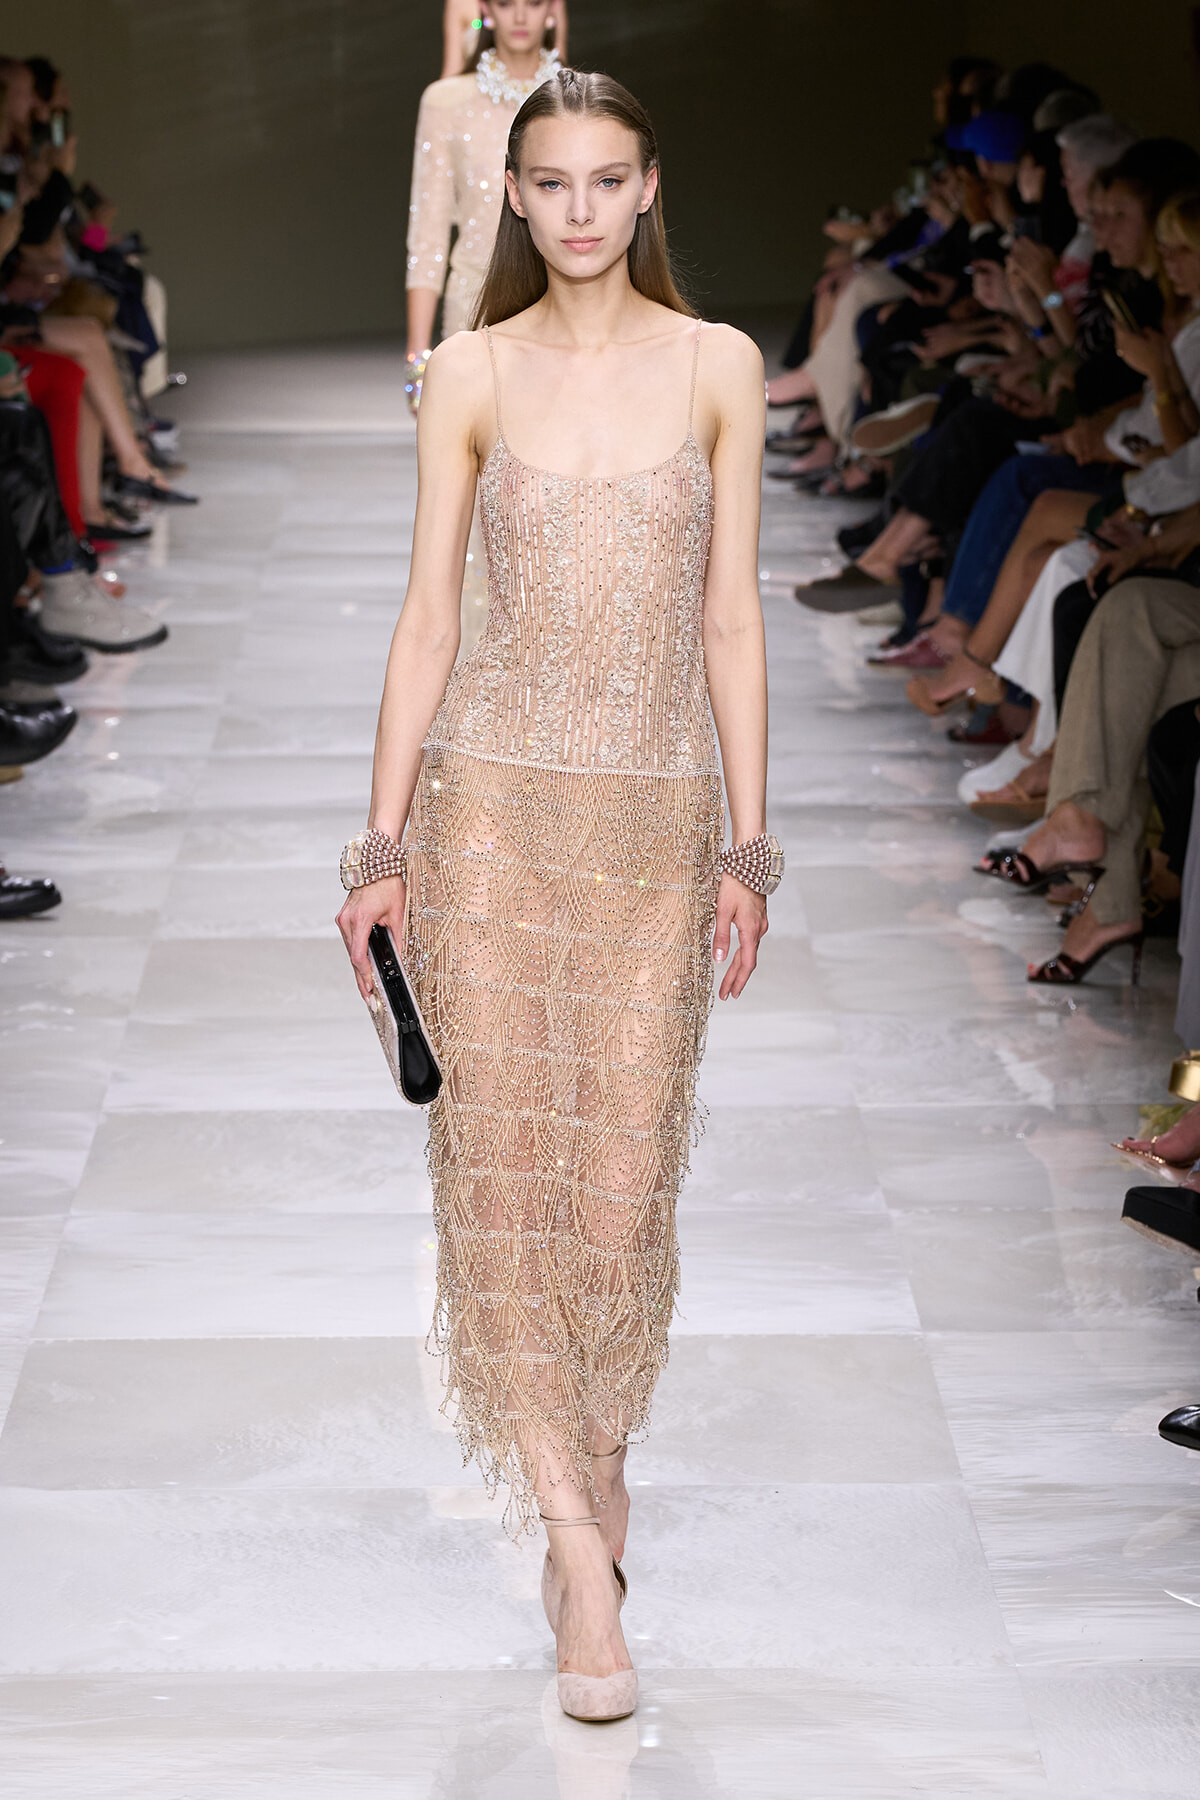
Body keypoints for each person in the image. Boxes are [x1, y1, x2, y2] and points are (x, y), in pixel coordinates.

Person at [339, 68, 775, 1723]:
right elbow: (427, 623)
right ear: (510, 198)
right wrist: (383, 849)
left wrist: (751, 841)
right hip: (493, 826)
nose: (580, 208)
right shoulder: (470, 370)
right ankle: (583, 1552)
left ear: (648, 187)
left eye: (608, 179)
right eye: (552, 181)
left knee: (614, 1205)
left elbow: (732, 622)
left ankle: (589, 1474)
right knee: (504, 1189)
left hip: (658, 833)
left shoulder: (718, 365)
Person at [407, 0, 562, 651]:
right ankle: (479, 691)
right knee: (470, 520)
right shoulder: (446, 101)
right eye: (505, 1)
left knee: (559, 505)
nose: (520, 15)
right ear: (484, 11)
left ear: (554, 10)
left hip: (565, 321)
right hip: (473, 321)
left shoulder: (577, 97)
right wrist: (420, 356)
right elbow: (427, 233)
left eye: (535, 1)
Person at [441, 0, 568, 78]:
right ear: (485, 7)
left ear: (553, 7)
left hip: (546, 84)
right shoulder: (459, 3)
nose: (520, 18)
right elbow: (453, 67)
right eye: (504, 3)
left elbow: (559, 56)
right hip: (478, 88)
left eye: (534, 2)